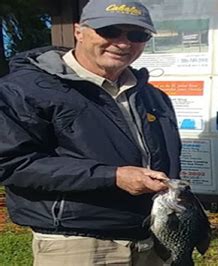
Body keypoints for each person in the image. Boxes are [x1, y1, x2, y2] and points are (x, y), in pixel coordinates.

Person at [0, 0, 181, 265]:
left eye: (137, 35)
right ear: (79, 31)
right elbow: (12, 163)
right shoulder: (21, 90)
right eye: (109, 31)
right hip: (80, 244)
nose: (123, 43)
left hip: (152, 238)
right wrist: (113, 176)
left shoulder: (153, 96)